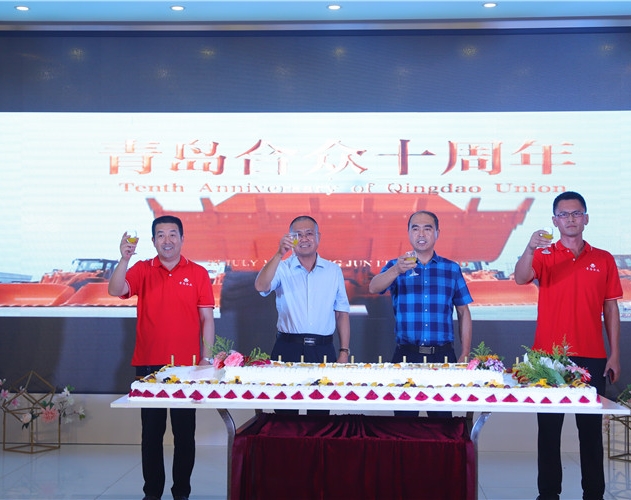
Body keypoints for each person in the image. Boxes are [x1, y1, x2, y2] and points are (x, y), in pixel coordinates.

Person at [514, 191, 621, 500]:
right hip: (549, 358)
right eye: (564, 214)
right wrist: (530, 247)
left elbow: (611, 307)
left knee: (590, 432)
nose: (570, 219)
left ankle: (594, 494)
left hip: (592, 355)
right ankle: (548, 494)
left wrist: (614, 353)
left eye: (576, 213)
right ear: (555, 220)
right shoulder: (543, 254)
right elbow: (520, 278)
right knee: (548, 432)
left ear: (586, 218)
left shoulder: (604, 259)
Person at [108, 215, 215, 500]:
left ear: (182, 238)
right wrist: (124, 259)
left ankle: (182, 492)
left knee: (184, 434)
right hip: (149, 364)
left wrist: (206, 358)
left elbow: (207, 318)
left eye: (172, 234)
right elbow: (115, 290)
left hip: (187, 367)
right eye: (161, 235)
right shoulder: (142, 269)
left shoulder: (198, 273)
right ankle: (152, 493)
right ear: (154, 240)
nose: (167, 240)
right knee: (151, 434)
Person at [368, 210, 473, 417]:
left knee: (442, 423)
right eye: (415, 229)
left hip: (443, 356)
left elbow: (463, 312)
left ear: (437, 233)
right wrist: (396, 270)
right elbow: (373, 287)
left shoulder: (451, 269)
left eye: (427, 229)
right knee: (405, 423)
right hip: (406, 354)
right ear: (409, 233)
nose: (421, 234)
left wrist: (465, 353)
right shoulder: (396, 265)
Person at [254, 215, 351, 366]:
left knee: (325, 383)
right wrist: (279, 254)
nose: (304, 239)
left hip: (323, 348)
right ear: (290, 239)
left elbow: (341, 313)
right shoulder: (281, 268)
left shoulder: (333, 270)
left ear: (318, 237)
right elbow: (261, 286)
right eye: (298, 235)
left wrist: (344, 352)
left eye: (309, 233)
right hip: (287, 347)